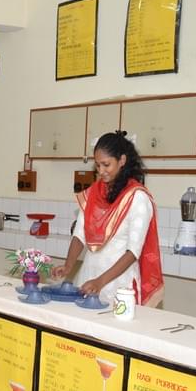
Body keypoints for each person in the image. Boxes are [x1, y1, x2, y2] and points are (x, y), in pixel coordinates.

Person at [53, 131, 163, 306]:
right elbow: (79, 235)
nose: (101, 171)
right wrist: (68, 265)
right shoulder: (94, 193)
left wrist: (101, 281)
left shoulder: (137, 198)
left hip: (119, 283)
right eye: (97, 166)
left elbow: (133, 252)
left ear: (122, 161)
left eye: (106, 165)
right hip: (89, 277)